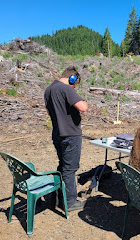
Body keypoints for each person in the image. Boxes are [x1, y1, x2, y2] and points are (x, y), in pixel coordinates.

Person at [44, 66, 88, 211]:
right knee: (70, 169)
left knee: (62, 166)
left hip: (57, 134)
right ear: (72, 78)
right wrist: (84, 100)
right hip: (70, 134)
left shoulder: (48, 90)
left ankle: (56, 199)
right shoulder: (66, 89)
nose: (74, 86)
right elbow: (83, 107)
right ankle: (70, 202)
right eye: (75, 83)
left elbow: (49, 112)